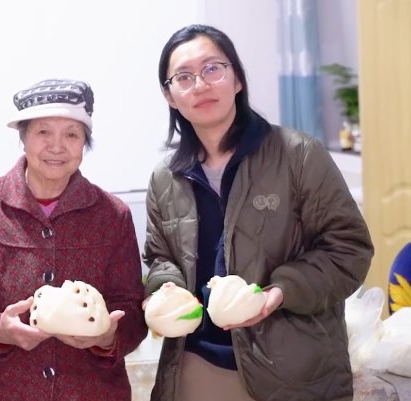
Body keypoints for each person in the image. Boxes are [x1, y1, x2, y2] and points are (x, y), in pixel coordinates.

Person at [142, 24, 373, 401]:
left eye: (213, 68)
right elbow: (160, 257)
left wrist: (281, 291)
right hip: (197, 363)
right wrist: (163, 287)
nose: (200, 84)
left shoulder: (298, 156)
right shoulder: (165, 178)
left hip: (294, 369)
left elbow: (349, 250)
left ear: (237, 80)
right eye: (184, 77)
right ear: (169, 95)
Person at [0, 79, 147, 401]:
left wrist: (108, 336)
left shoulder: (113, 215)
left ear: (84, 143)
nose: (57, 146)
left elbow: (132, 308)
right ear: (23, 137)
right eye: (43, 132)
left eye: (71, 134)